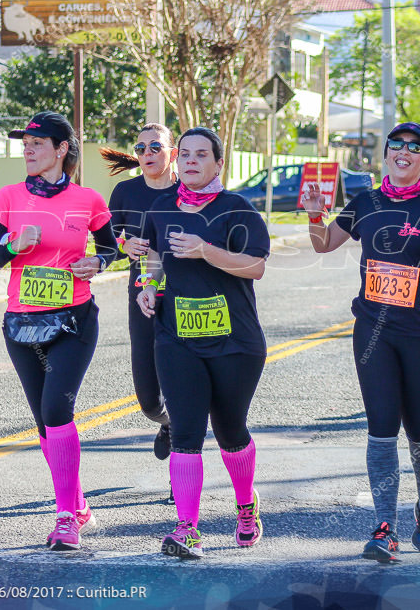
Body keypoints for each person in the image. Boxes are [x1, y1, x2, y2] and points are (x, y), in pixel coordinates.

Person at [303, 122, 420, 563]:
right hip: (373, 330)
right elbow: (324, 245)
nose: (404, 152)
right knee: (380, 429)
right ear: (387, 154)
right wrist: (316, 214)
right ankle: (385, 527)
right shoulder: (366, 201)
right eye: (397, 146)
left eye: (415, 148)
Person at [0, 112, 118, 551]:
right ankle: (76, 502)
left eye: (38, 142)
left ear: (62, 149)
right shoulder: (8, 197)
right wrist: (10, 246)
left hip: (74, 319)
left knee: (57, 410)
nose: (29, 149)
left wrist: (98, 262)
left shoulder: (89, 200)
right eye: (26, 143)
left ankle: (65, 518)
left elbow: (110, 247)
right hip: (22, 324)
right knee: (44, 421)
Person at [136, 127, 269, 559]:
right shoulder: (159, 207)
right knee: (186, 434)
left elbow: (255, 267)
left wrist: (206, 251)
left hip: (235, 343)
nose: (191, 161)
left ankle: (246, 506)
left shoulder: (238, 210)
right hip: (177, 340)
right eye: (186, 154)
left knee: (231, 433)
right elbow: (153, 261)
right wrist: (146, 287)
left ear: (218, 163)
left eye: (201, 155)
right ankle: (187, 527)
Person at [103, 125, 179, 487]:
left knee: (184, 389)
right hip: (143, 298)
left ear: (172, 152)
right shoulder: (125, 192)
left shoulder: (187, 191)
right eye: (140, 147)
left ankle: (182, 473)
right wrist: (124, 244)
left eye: (155, 146)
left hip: (186, 299)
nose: (147, 153)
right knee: (149, 400)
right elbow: (106, 237)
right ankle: (167, 423)